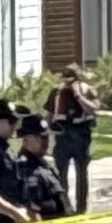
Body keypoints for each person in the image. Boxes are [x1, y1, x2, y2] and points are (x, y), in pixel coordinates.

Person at [45, 65, 102, 213]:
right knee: (60, 173)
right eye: (66, 78)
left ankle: (81, 207)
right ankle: (65, 207)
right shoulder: (56, 92)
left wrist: (78, 96)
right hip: (62, 134)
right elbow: (49, 114)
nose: (68, 82)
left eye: (71, 78)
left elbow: (94, 109)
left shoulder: (87, 90)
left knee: (81, 171)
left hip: (80, 133)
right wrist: (47, 133)